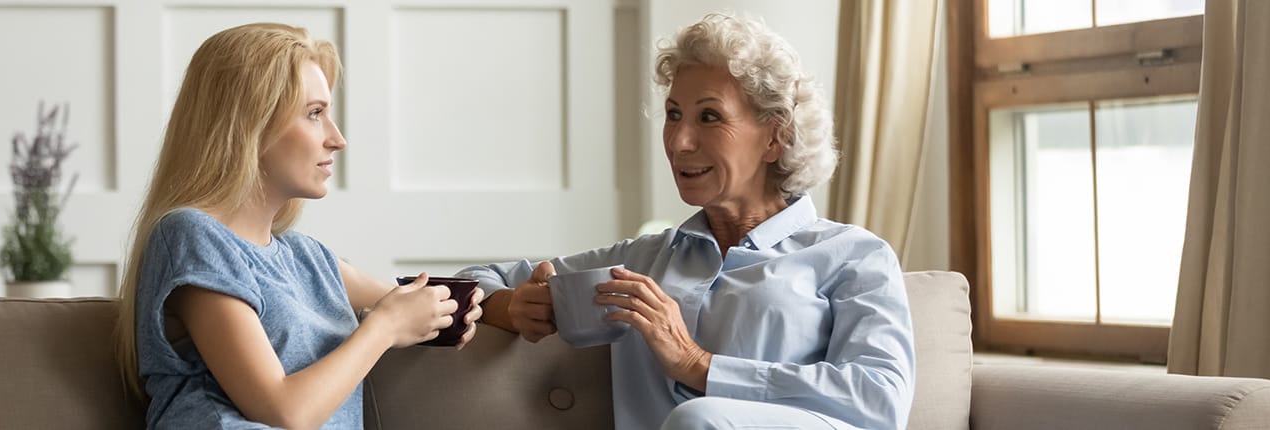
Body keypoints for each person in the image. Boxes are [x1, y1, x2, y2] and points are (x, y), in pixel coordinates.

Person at [463, 13, 915, 430]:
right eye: (674, 114)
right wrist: (513, 307)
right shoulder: (639, 263)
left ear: (775, 137)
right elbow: (471, 281)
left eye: (709, 116)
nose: (679, 141)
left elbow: (880, 398)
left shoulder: (853, 255)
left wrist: (697, 364)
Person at [112, 23, 484, 429]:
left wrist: (497, 306)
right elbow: (282, 410)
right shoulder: (190, 234)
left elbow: (421, 301)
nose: (337, 139)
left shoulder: (307, 258)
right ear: (249, 124)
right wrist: (384, 328)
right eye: (314, 114)